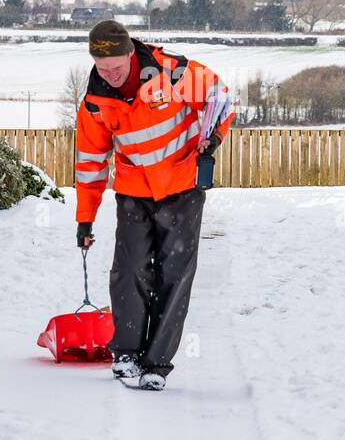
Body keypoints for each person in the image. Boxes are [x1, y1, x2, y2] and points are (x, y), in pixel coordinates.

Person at [74, 20, 234, 390]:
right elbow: (89, 162)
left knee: (174, 276)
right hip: (133, 192)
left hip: (182, 187)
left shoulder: (174, 73)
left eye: (116, 67)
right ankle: (126, 354)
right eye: (102, 69)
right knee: (128, 271)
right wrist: (85, 219)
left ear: (131, 54)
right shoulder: (95, 102)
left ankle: (156, 363)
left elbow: (222, 99)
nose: (110, 75)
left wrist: (214, 138)